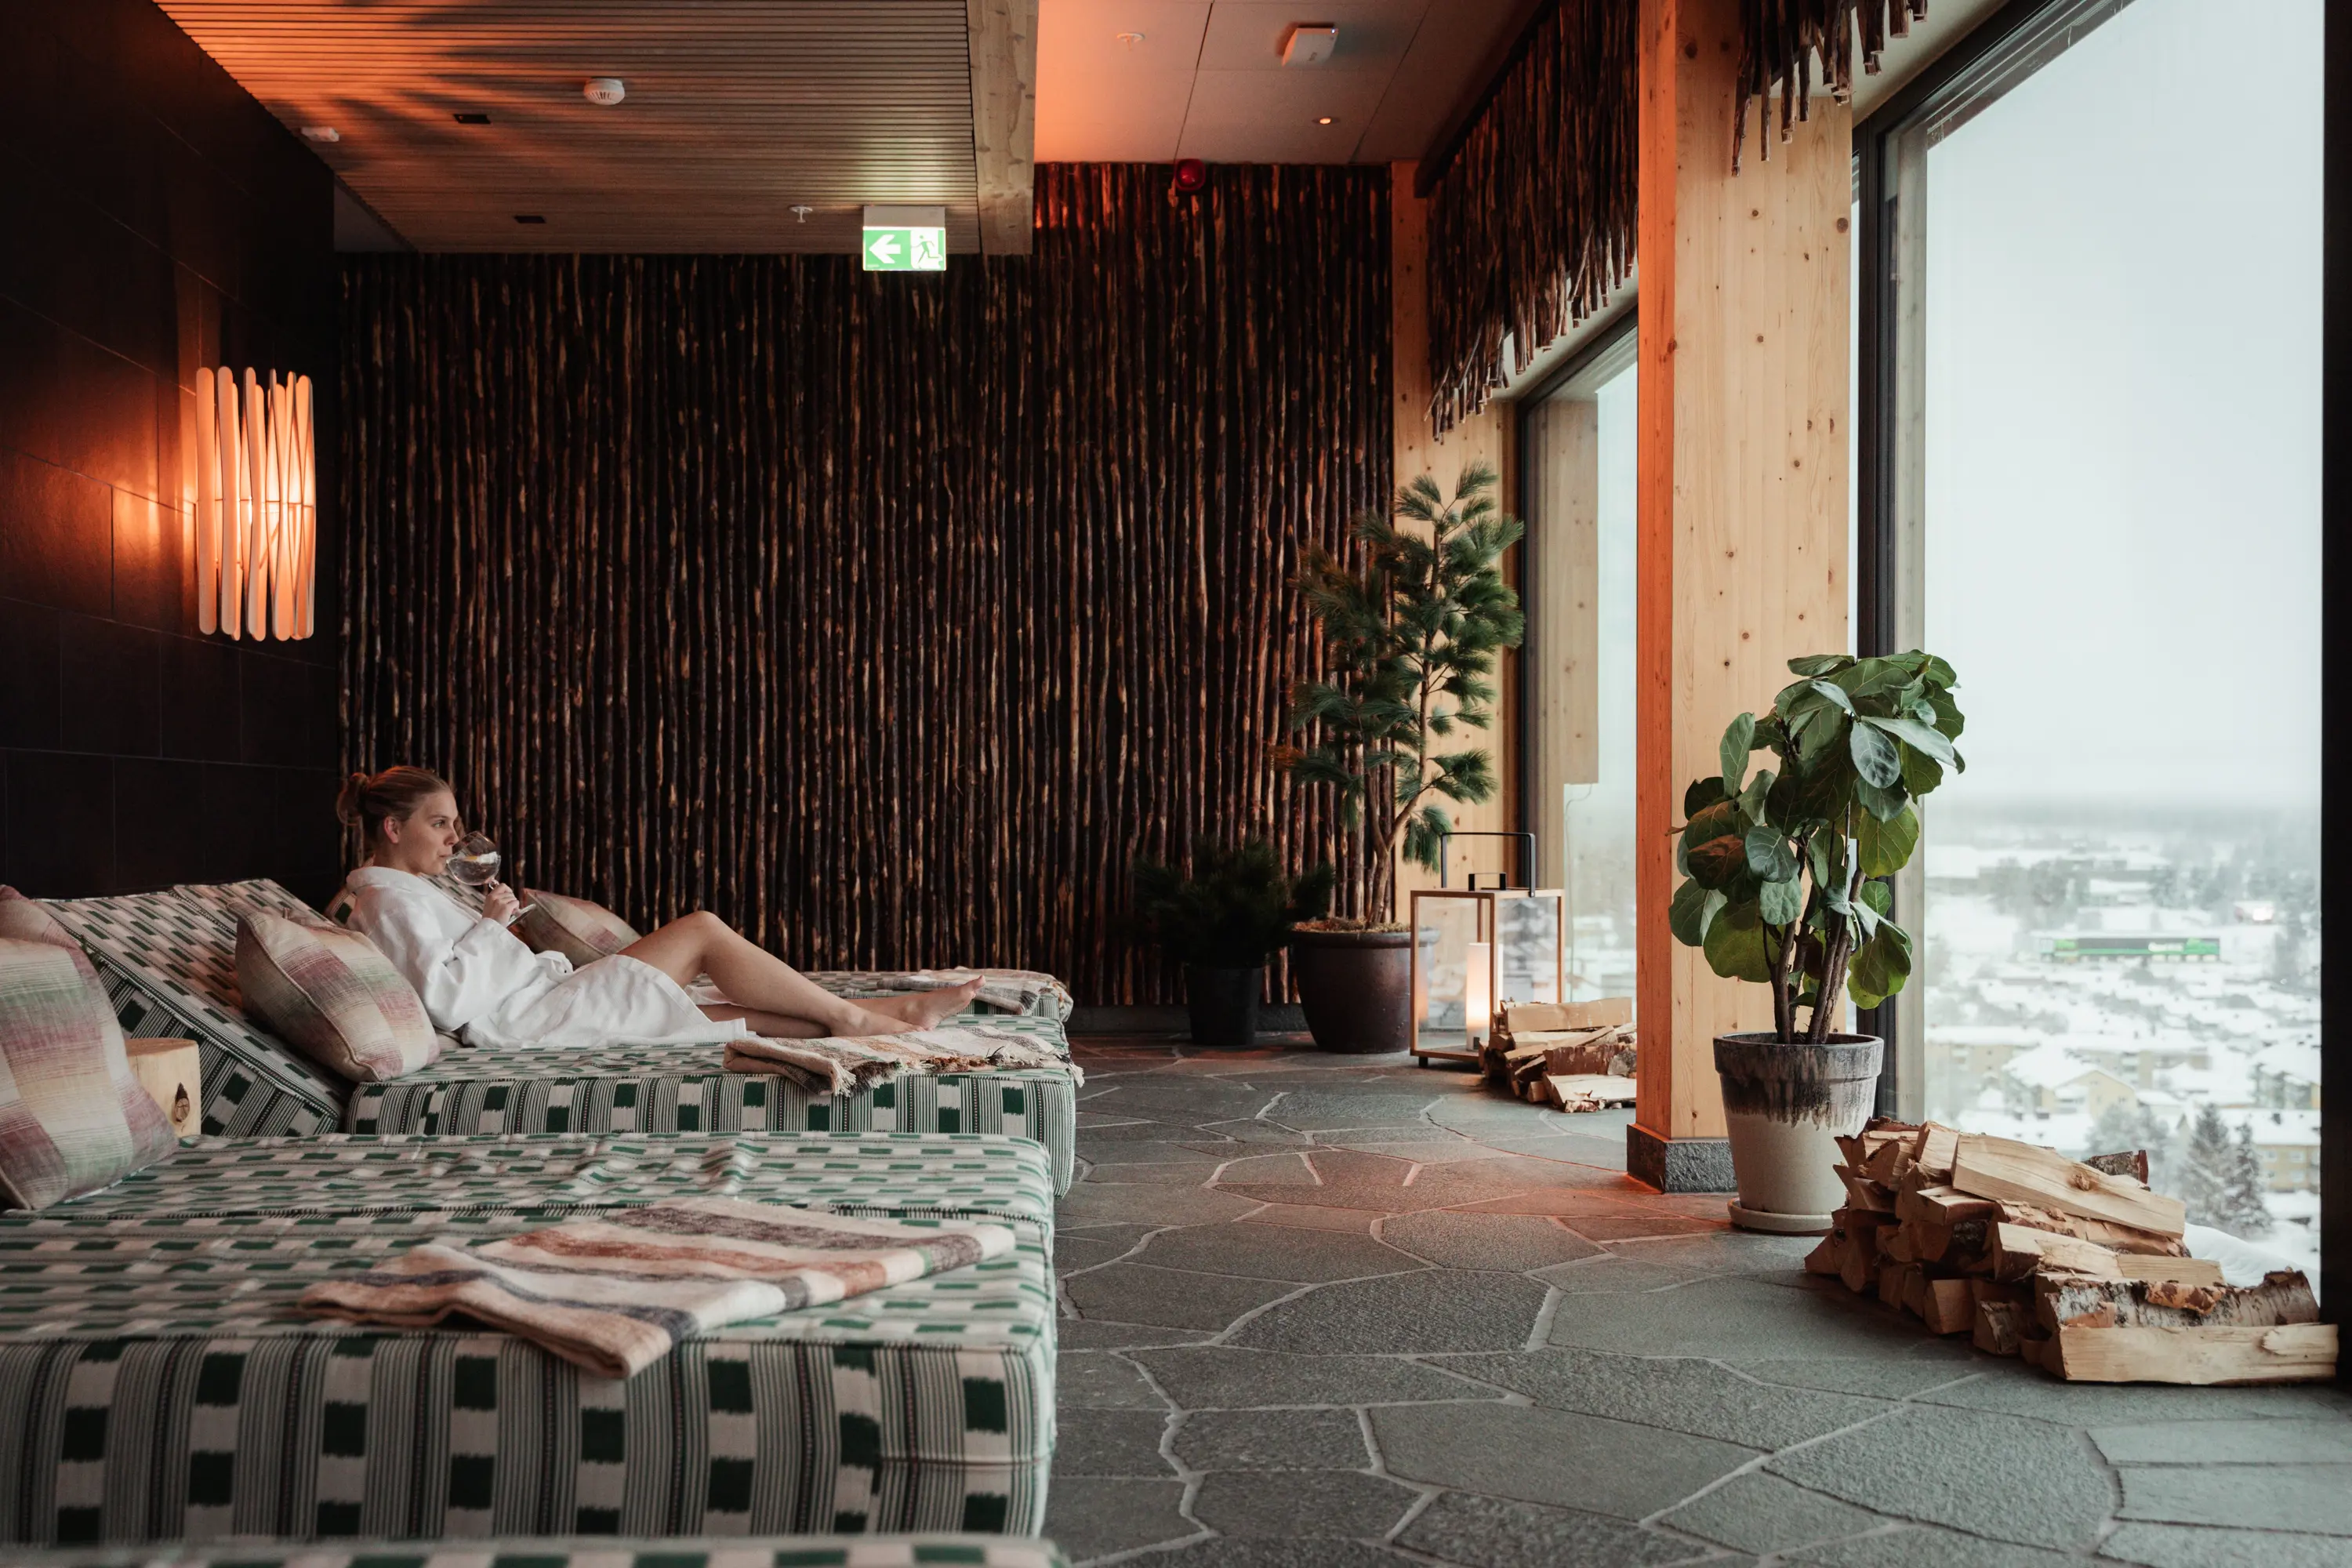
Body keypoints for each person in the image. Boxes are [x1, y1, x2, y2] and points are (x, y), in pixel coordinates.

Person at [332, 766, 982, 1051]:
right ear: (392, 828)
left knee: (742, 1018)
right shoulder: (387, 899)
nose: (454, 838)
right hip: (531, 1022)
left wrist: (489, 929)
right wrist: (490, 926)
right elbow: (445, 1000)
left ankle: (891, 1016)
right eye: (440, 824)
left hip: (543, 1005)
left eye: (454, 823)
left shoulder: (410, 892)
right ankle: (860, 1018)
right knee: (701, 931)